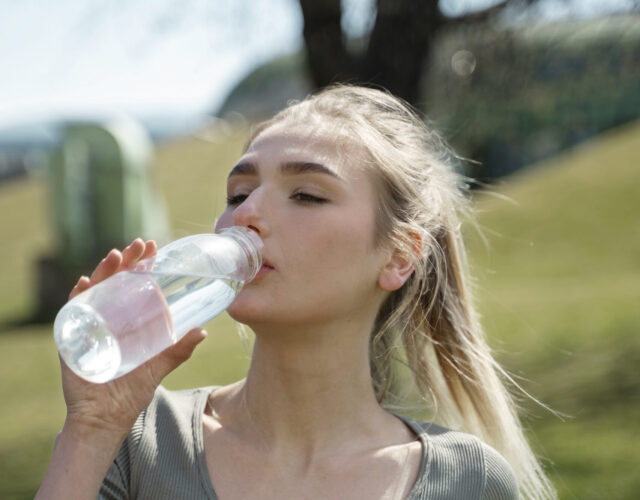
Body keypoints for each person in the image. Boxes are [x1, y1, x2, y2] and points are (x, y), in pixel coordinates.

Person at [36, 85, 556, 500]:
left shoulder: (468, 481)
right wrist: (91, 429)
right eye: (239, 193)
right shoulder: (139, 443)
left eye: (306, 194)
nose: (245, 215)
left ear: (400, 255)